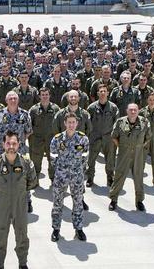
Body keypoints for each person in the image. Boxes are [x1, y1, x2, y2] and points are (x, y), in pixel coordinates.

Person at [0, 131, 37, 269]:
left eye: (14, 143)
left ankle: (22, 263)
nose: (11, 146)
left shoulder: (26, 162)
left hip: (19, 204)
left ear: (19, 144)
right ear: (3, 144)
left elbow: (32, 181)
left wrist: (19, 193)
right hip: (1, 204)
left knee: (22, 235)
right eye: (8, 143)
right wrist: (1, 194)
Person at [49, 112, 89, 242]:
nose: (71, 125)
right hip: (61, 176)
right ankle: (56, 229)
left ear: (77, 123)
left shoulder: (83, 139)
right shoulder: (57, 139)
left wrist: (78, 169)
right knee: (57, 203)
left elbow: (85, 157)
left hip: (77, 176)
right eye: (69, 122)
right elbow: (53, 158)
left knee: (78, 203)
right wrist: (61, 170)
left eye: (73, 122)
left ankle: (79, 229)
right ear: (65, 123)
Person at [108, 103, 151, 212]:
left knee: (138, 177)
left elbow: (148, 137)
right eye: (130, 110)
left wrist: (138, 147)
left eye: (135, 110)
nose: (133, 112)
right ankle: (113, 200)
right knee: (119, 176)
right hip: (124, 154)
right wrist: (122, 147)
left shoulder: (144, 122)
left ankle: (139, 201)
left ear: (138, 111)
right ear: (127, 111)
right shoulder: (120, 122)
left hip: (138, 155)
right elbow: (114, 136)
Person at [86, 84, 119, 187]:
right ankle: (90, 178)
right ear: (98, 93)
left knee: (110, 160)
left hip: (108, 137)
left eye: (105, 91)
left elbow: (116, 123)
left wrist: (115, 137)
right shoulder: (91, 107)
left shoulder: (113, 107)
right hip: (95, 137)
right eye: (101, 91)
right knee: (91, 159)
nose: (103, 93)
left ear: (108, 93)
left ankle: (110, 178)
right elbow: (87, 122)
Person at [28, 87, 60, 183]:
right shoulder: (33, 110)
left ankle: (53, 178)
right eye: (43, 95)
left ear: (49, 95)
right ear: (39, 96)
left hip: (51, 139)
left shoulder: (56, 109)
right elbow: (29, 125)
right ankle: (35, 179)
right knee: (35, 160)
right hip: (37, 139)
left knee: (53, 159)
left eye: (46, 94)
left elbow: (60, 124)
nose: (45, 97)